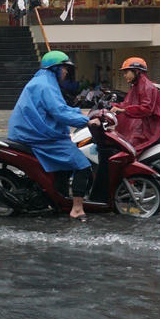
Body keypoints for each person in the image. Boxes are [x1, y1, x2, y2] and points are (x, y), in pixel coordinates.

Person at [8, 51, 96, 220]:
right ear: (55, 68)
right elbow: (59, 112)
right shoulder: (46, 86)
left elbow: (60, 107)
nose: (65, 72)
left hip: (31, 133)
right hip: (41, 137)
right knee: (83, 166)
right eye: (63, 68)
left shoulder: (41, 81)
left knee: (64, 167)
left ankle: (59, 201)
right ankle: (77, 209)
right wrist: (87, 121)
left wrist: (80, 113)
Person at [111, 57, 160, 152]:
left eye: (126, 72)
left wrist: (124, 110)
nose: (124, 75)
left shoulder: (147, 87)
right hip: (140, 122)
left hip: (149, 126)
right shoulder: (136, 86)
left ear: (136, 71)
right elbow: (127, 103)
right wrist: (115, 106)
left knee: (129, 147)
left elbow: (146, 109)